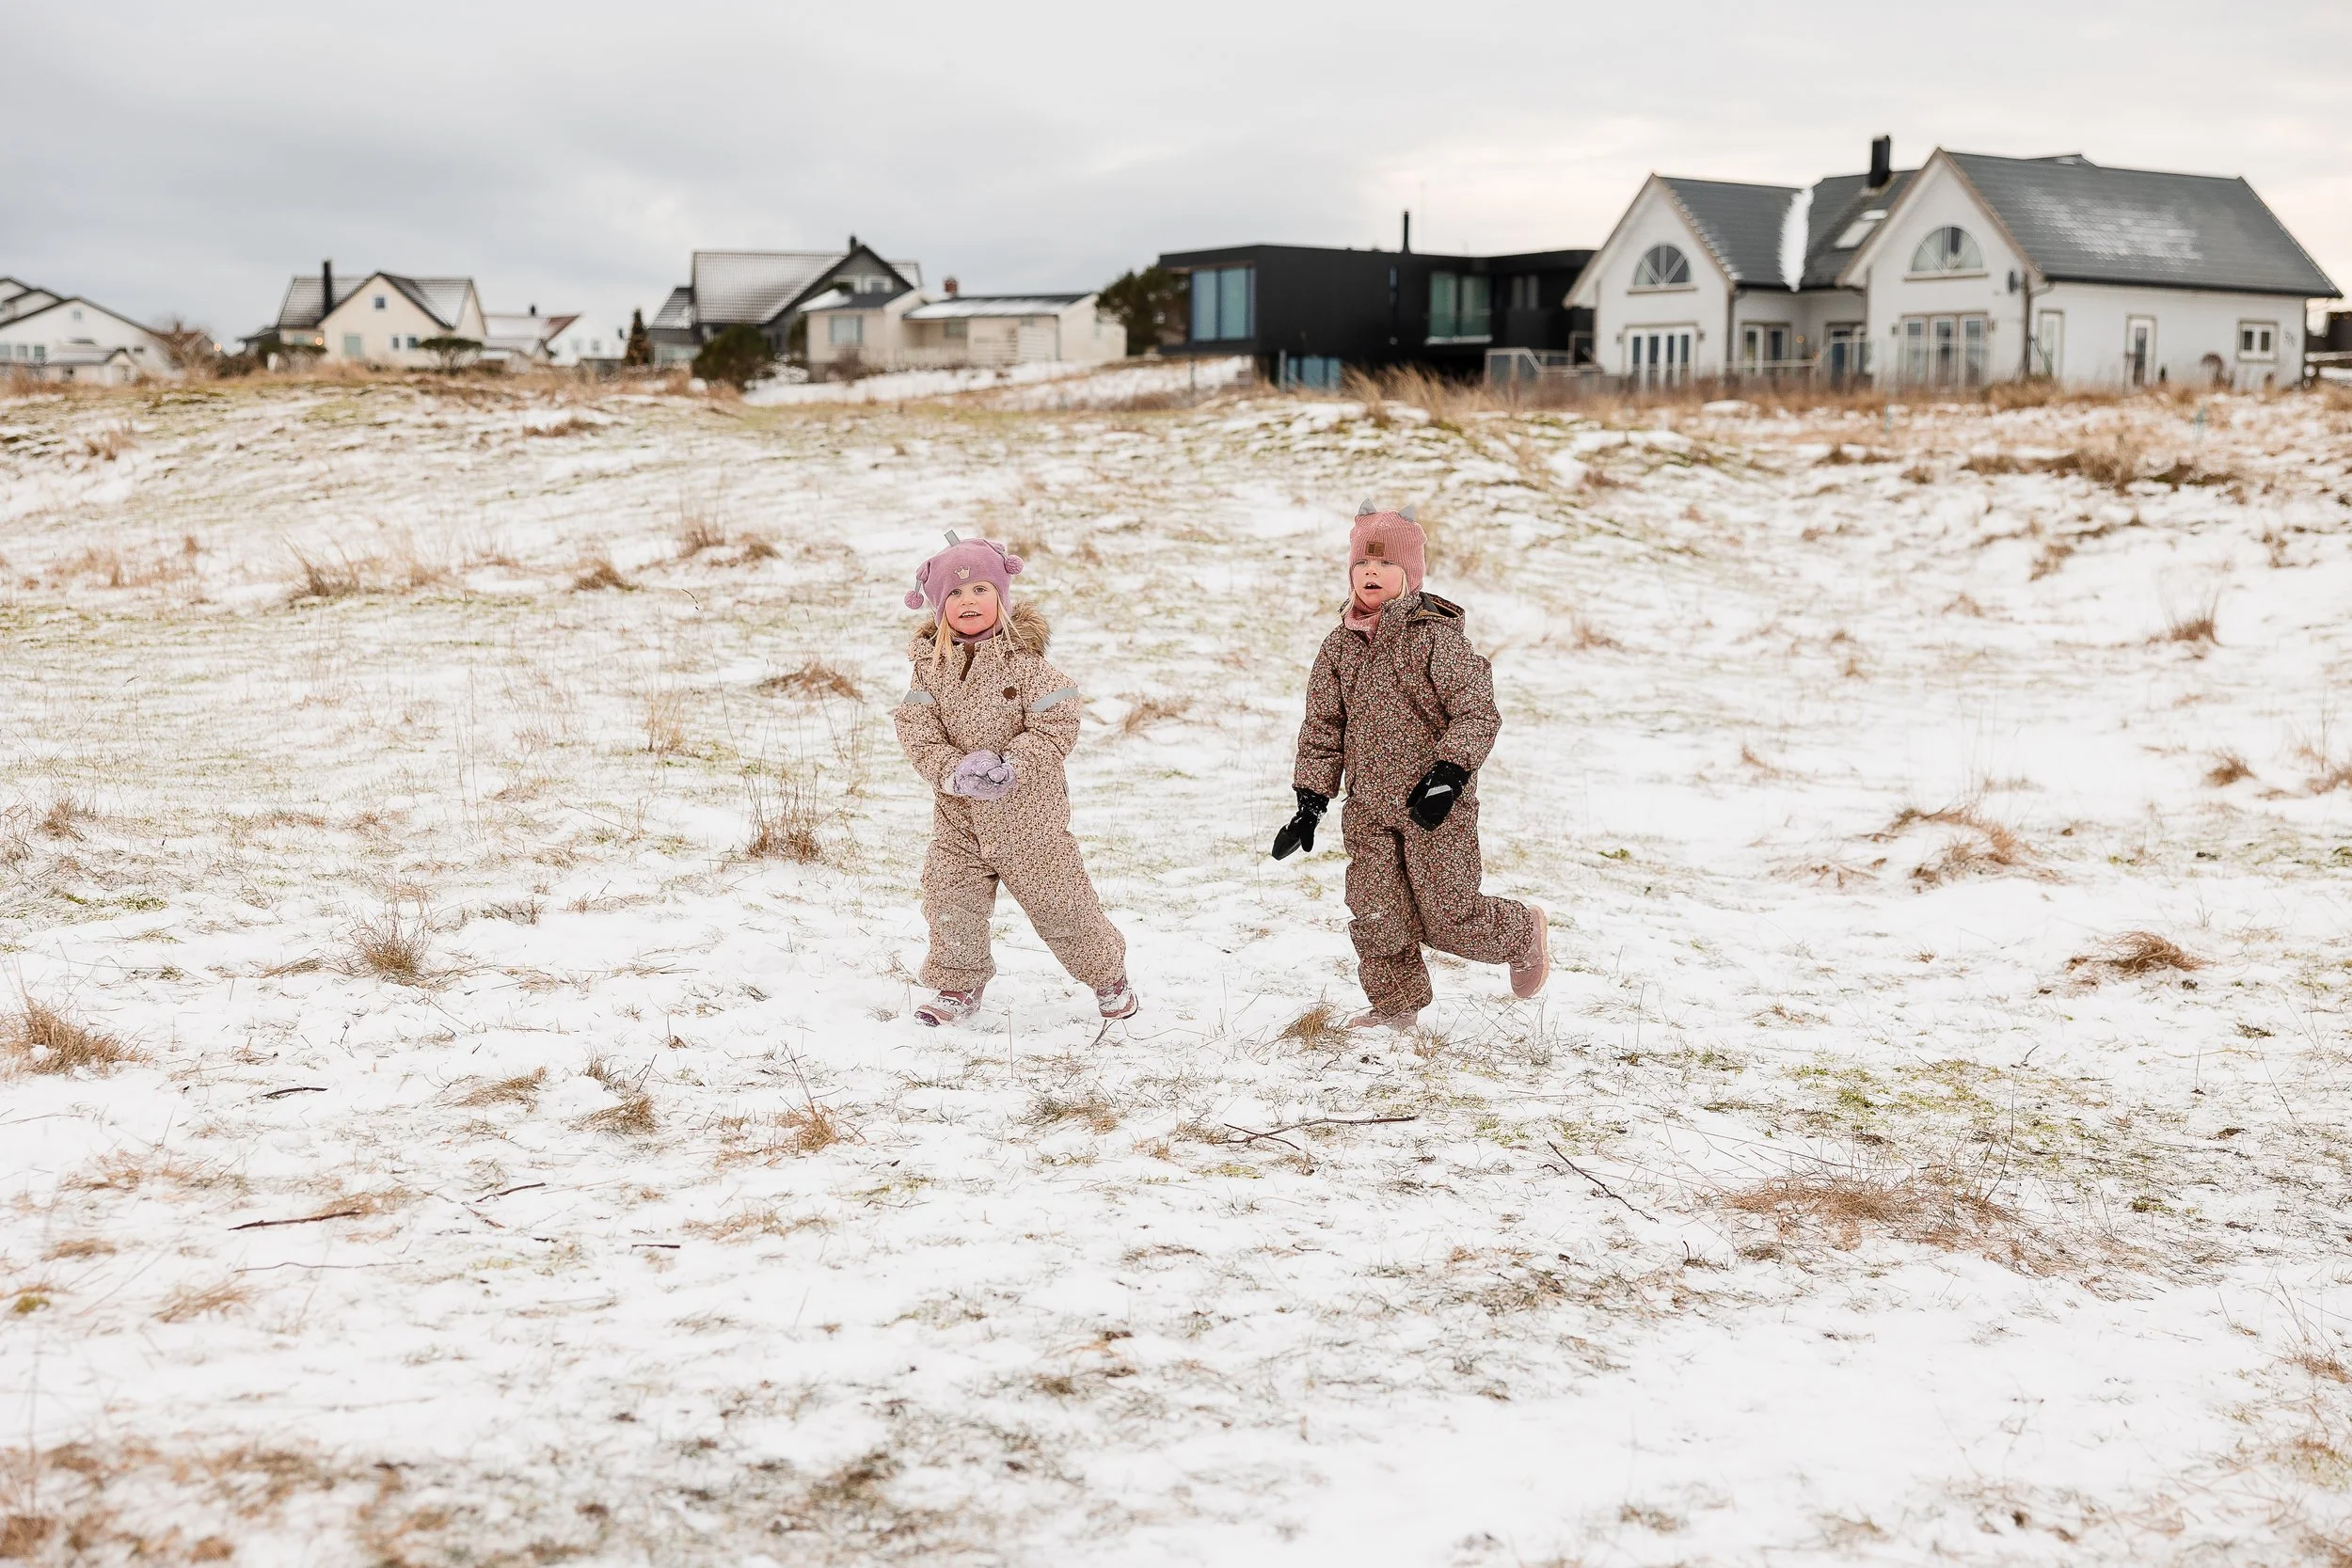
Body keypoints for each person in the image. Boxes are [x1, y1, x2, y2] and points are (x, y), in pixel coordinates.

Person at [1273, 503, 1549, 1030]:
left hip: (1434, 806)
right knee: (1378, 914)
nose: (1370, 573)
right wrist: (1310, 803)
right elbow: (1323, 728)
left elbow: (1477, 709)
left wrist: (1448, 774)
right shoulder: (1337, 648)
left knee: (1448, 915)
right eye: (1362, 565)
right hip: (1369, 808)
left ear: (1411, 574)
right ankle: (1395, 1009)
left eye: (1385, 565)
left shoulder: (1435, 637)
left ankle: (1521, 933)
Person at [891, 531, 1136, 1027]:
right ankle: (957, 984)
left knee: (1061, 903)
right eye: (954, 594)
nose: (968, 601)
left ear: (1001, 598)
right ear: (938, 607)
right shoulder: (930, 670)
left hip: (1029, 819)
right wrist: (952, 772)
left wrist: (1014, 764)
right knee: (949, 901)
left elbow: (1058, 721)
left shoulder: (1027, 664)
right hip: (959, 817)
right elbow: (916, 730)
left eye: (980, 590)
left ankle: (1107, 974)